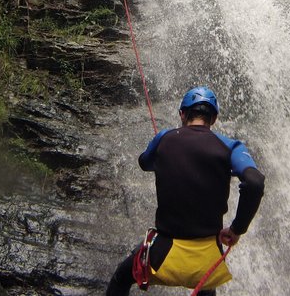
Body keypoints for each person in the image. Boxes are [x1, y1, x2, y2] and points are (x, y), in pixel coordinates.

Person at [106, 86, 265, 295]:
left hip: (161, 256)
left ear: (182, 114)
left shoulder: (164, 138)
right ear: (214, 118)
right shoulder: (230, 147)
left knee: (121, 278)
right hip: (205, 259)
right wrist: (237, 230)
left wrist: (163, 155)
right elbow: (254, 181)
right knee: (206, 286)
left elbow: (144, 163)